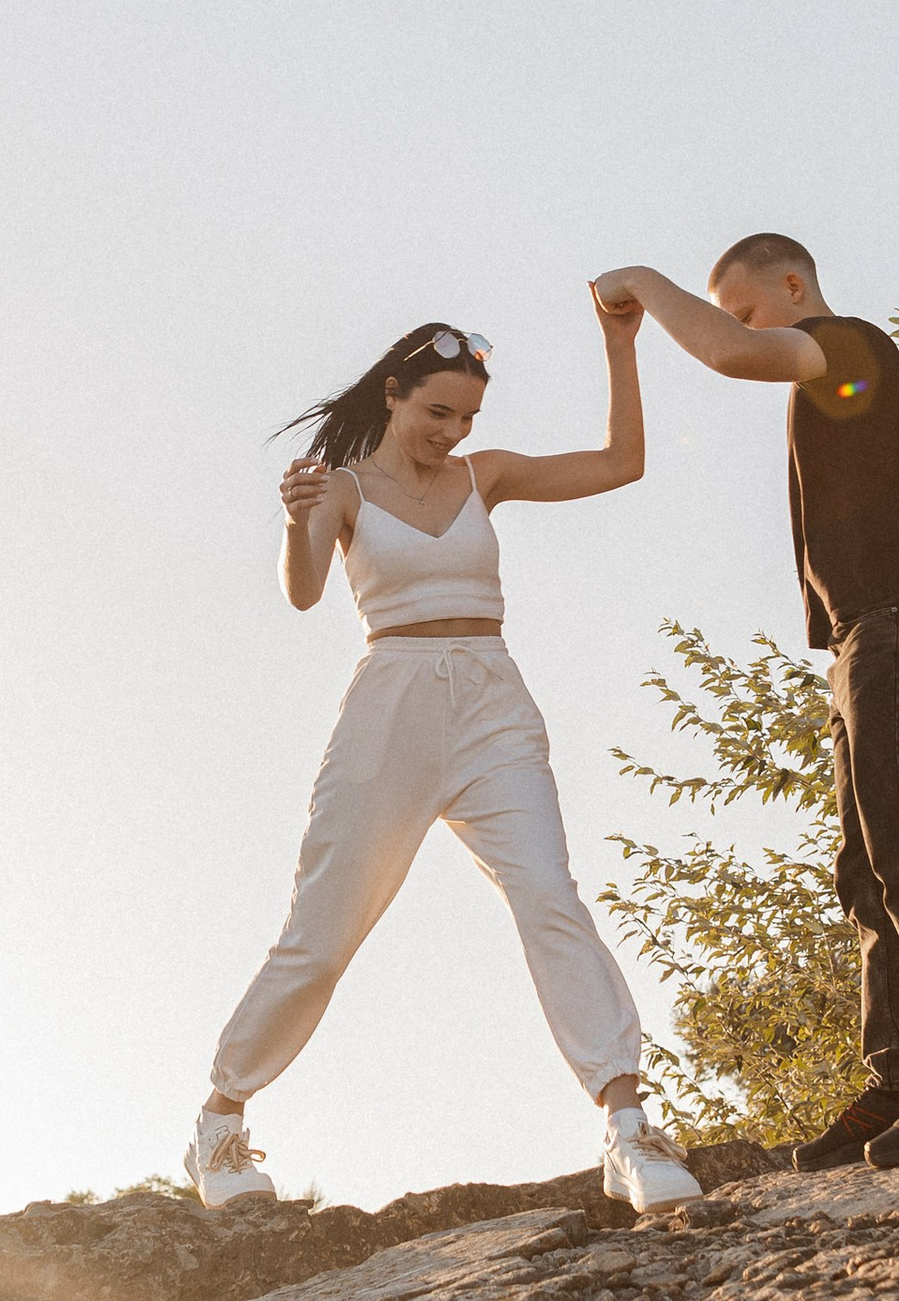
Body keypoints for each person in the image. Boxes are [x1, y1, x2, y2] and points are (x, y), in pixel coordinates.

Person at [184, 306, 700, 1217]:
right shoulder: (341, 488)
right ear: (393, 395)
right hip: (392, 709)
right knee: (323, 932)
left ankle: (628, 1127)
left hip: (494, 704)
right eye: (437, 412)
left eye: (466, 417)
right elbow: (303, 592)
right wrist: (297, 522)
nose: (453, 432)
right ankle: (220, 1120)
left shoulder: (482, 476)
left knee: (549, 894)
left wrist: (619, 346)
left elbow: (622, 462)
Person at [590, 236, 899, 1170]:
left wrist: (641, 283)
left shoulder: (847, 345)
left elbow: (727, 352)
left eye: (749, 308)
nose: (742, 329)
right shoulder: (825, 380)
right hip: (865, 637)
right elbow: (736, 345)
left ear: (793, 284)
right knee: (866, 868)